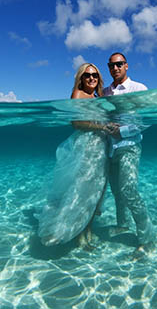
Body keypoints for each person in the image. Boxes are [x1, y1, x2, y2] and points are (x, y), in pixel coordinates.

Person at [37, 63, 115, 249]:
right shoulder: (78, 95)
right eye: (87, 75)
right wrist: (102, 127)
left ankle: (87, 229)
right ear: (81, 78)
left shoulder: (97, 97)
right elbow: (77, 123)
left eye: (95, 75)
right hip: (87, 148)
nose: (91, 78)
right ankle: (73, 232)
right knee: (81, 190)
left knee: (95, 193)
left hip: (100, 149)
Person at [103, 52, 154, 257]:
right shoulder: (106, 91)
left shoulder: (139, 89)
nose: (115, 68)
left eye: (119, 64)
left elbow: (148, 120)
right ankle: (122, 225)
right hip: (110, 149)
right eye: (112, 65)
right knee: (116, 191)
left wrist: (121, 131)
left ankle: (147, 239)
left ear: (126, 66)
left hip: (130, 146)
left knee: (129, 190)